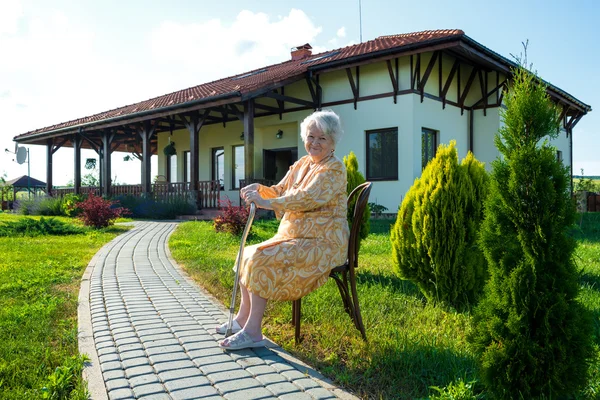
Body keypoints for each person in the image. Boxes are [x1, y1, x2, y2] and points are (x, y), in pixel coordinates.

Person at [217, 109, 350, 350]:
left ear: (333, 142)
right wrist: (261, 190)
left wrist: (268, 203)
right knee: (247, 253)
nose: (315, 143)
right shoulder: (302, 164)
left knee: (260, 257)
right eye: (311, 137)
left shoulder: (334, 169)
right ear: (304, 137)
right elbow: (280, 190)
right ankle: (242, 318)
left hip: (323, 242)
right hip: (295, 237)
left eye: (322, 138)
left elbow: (308, 198)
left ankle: (253, 332)